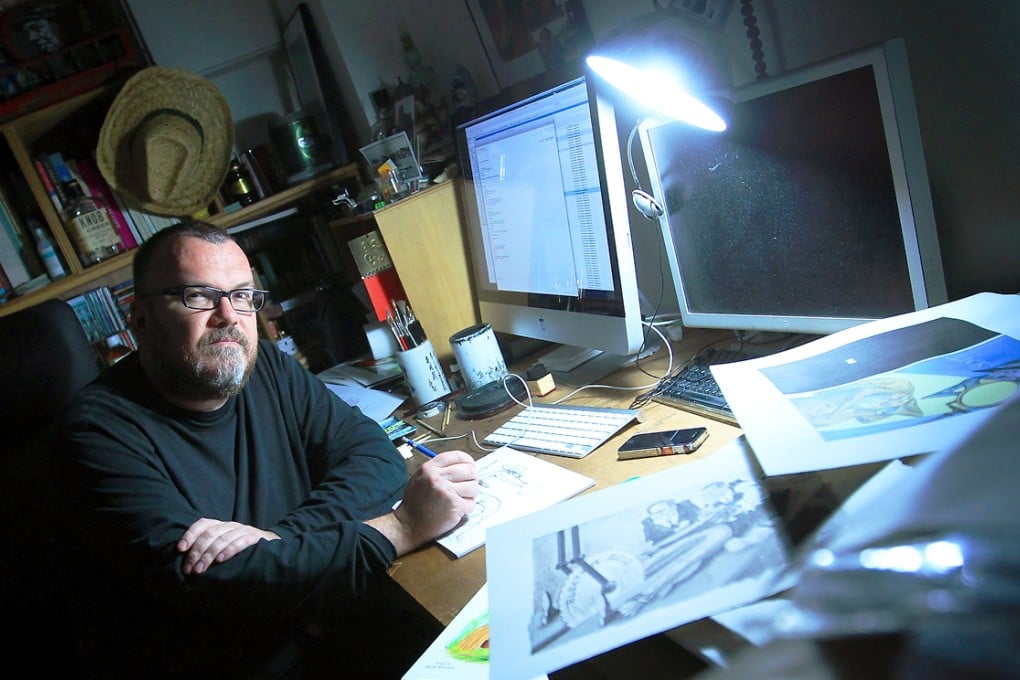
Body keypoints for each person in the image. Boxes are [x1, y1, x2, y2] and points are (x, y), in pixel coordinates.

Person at [57, 221, 479, 679]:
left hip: (325, 614)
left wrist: (279, 539)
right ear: (141, 319)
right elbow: (224, 583)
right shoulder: (97, 431)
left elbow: (373, 456)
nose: (228, 315)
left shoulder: (264, 367)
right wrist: (401, 526)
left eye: (242, 295)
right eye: (198, 296)